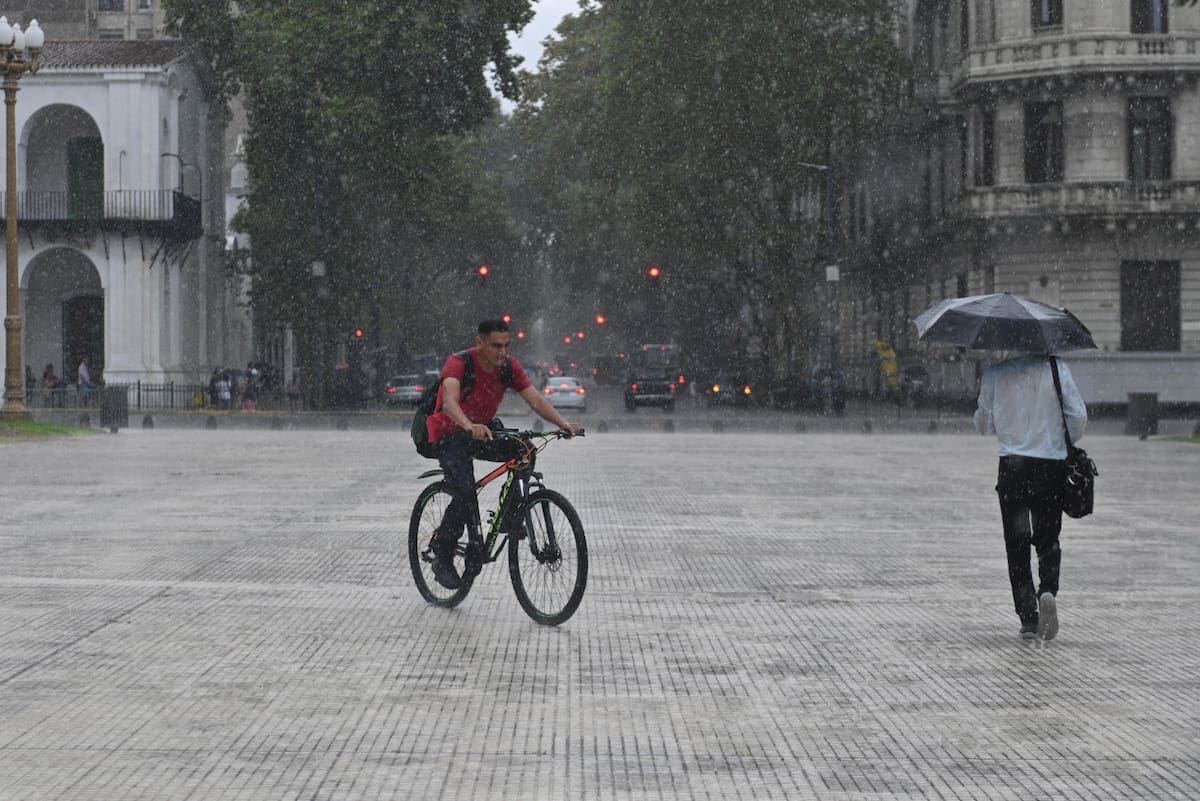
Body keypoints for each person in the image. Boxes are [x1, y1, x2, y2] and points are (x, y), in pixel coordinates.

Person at [424, 319, 581, 590]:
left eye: (506, 346)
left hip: (482, 432)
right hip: (449, 435)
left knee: (525, 450)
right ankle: (443, 554)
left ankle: (511, 514)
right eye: (496, 346)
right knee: (464, 491)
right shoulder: (459, 363)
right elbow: (449, 402)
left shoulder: (509, 367)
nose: (502, 352)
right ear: (480, 343)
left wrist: (562, 424)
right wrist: (468, 425)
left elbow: (535, 399)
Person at [974, 352, 1087, 642]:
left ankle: (1027, 617)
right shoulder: (1056, 367)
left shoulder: (995, 373)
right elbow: (1077, 416)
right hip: (1050, 465)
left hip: (1012, 467)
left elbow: (983, 425)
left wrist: (995, 409)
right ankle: (1047, 589)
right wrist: (1060, 437)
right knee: (1048, 536)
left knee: (1016, 541)